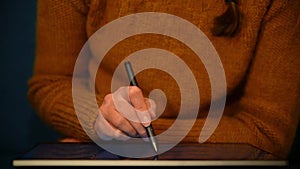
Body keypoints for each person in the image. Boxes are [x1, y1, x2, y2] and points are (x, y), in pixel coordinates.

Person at [28, 0, 300, 159]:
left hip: (217, 160)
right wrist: (97, 118)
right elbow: (51, 83)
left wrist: (135, 134)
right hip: (102, 154)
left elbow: (267, 132)